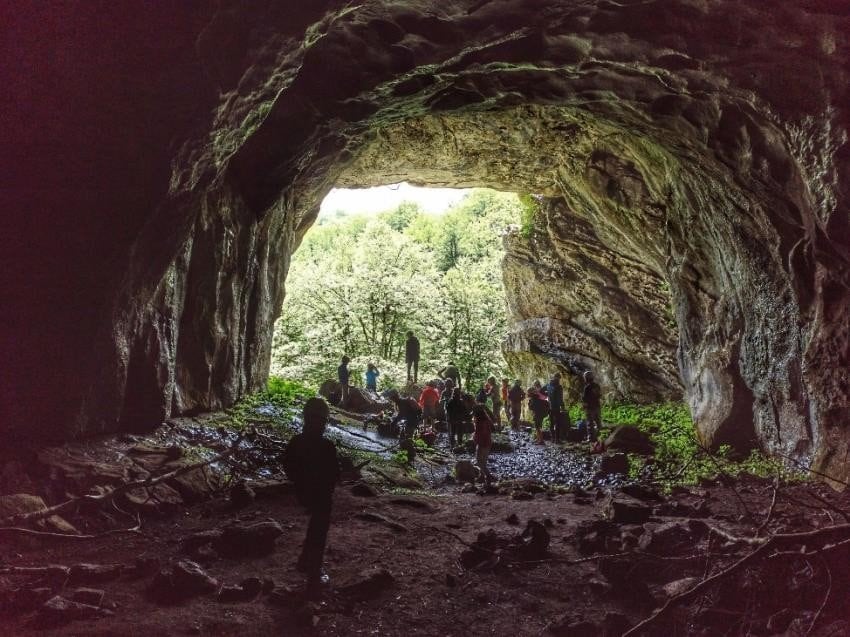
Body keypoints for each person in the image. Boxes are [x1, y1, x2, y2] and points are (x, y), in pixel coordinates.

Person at [281, 397, 339, 596]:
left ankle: (306, 559)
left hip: (302, 491)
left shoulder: (296, 442)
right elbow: (334, 475)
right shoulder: (327, 447)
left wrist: (300, 482)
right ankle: (314, 570)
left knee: (317, 521)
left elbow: (287, 465)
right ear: (322, 422)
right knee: (319, 527)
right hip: (321, 495)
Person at [472, 404, 494, 485]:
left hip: (482, 442)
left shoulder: (480, 421)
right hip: (488, 442)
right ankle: (482, 476)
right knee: (483, 461)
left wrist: (475, 439)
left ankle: (488, 476)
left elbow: (480, 433)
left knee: (479, 461)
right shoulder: (487, 419)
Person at [582, 371, 602, 442]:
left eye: (585, 377)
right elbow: (599, 395)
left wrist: (584, 407)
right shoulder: (597, 386)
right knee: (598, 423)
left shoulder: (587, 388)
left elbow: (585, 399)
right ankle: (599, 437)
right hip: (597, 406)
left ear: (586, 378)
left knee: (590, 424)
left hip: (590, 408)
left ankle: (591, 438)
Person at [547, 373, 565, 443]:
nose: (559, 380)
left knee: (551, 423)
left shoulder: (548, 385)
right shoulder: (558, 387)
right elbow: (559, 398)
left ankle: (552, 438)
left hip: (549, 407)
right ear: (558, 378)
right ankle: (557, 439)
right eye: (559, 378)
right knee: (557, 423)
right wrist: (562, 406)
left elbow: (545, 394)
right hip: (556, 407)